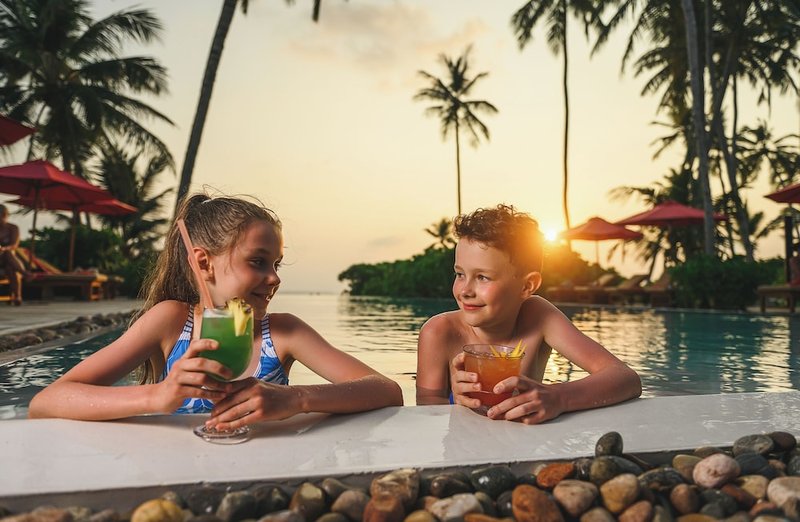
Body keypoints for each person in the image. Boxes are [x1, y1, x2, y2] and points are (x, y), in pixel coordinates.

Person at [29, 193, 403, 428]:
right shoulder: (172, 320)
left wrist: (296, 399)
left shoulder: (284, 332)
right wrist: (156, 397)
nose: (273, 279)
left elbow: (386, 390)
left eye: (276, 265)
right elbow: (46, 402)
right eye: (257, 262)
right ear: (203, 263)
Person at [415, 204, 641, 424]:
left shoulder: (538, 316)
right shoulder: (439, 332)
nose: (464, 291)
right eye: (460, 274)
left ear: (527, 286)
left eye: (483, 277)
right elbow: (427, 409)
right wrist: (455, 401)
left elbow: (625, 378)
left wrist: (559, 397)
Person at [0, 204, 29, 306]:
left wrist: (4, 248)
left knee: (10, 268)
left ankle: (17, 296)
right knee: (9, 256)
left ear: (6, 215)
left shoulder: (13, 228)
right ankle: (25, 273)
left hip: (8, 258)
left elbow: (14, 245)